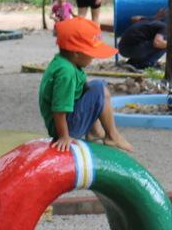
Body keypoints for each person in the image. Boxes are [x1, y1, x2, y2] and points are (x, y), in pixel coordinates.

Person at [39, 18, 133, 153]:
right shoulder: (66, 72)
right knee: (99, 89)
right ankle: (112, 135)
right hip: (66, 127)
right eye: (91, 54)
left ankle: (95, 132)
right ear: (76, 53)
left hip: (67, 122)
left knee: (96, 86)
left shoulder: (68, 64)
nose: (93, 58)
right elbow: (59, 109)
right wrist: (64, 137)